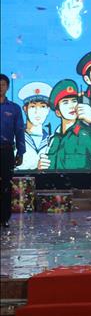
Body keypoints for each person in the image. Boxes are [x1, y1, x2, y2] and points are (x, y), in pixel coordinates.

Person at [46, 79, 91, 171]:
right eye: (65, 102)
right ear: (58, 112)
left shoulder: (88, 134)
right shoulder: (53, 140)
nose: (72, 106)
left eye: (74, 101)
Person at [0, 74, 25, 228]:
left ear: (7, 87)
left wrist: (20, 152)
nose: (0, 87)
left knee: (6, 185)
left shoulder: (14, 108)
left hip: (6, 151)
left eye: (3, 84)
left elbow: (19, 131)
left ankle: (4, 218)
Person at [17, 82, 52, 171]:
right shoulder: (15, 137)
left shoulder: (52, 140)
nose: (37, 112)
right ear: (25, 109)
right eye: (32, 107)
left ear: (48, 110)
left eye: (42, 107)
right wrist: (36, 168)